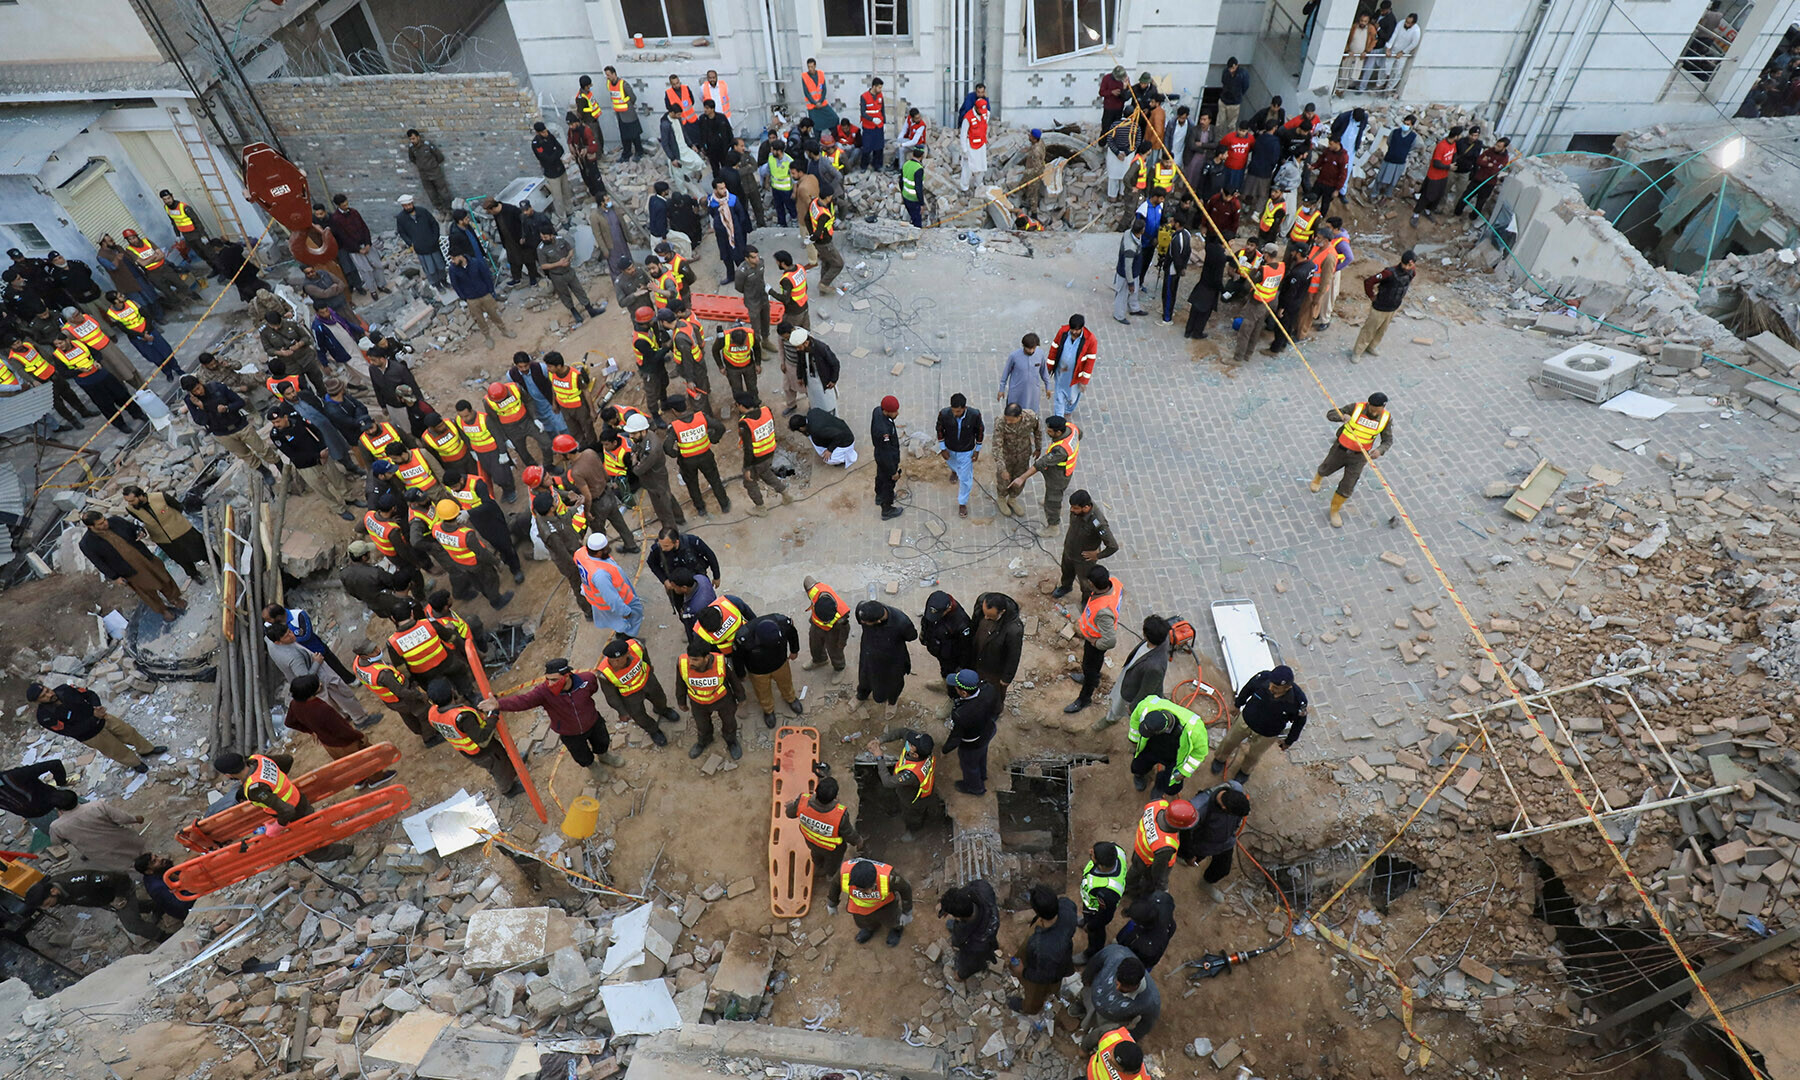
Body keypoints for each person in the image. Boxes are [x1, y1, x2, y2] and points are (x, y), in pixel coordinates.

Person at [486, 658, 625, 776]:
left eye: (554, 680)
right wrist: (498, 704)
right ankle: (593, 767)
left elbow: (593, 689)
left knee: (602, 741)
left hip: (593, 722)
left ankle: (604, 756)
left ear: (567, 675)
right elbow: (523, 701)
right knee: (581, 754)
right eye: (547, 679)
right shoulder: (543, 692)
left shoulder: (587, 680)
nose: (550, 684)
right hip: (569, 733)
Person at [29, 681, 166, 773]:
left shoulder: (65, 689)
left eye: (47, 690)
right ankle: (135, 763)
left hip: (103, 718)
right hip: (91, 735)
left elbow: (89, 694)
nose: (50, 694)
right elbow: (71, 731)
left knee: (129, 732)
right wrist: (94, 718)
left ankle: (147, 749)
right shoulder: (45, 717)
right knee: (116, 750)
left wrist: (96, 707)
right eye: (44, 696)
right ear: (37, 701)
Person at [78, 511, 187, 620]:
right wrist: (115, 577)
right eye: (100, 524)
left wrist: (140, 531)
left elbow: (134, 528)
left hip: (144, 557)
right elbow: (99, 563)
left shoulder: (115, 521)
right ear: (90, 526)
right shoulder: (87, 543)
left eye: (104, 520)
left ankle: (174, 599)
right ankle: (163, 610)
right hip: (127, 569)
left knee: (163, 577)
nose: (105, 523)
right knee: (146, 591)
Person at [425, 679, 524, 798]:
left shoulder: (432, 713)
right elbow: (482, 739)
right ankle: (508, 789)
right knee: (499, 768)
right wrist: (493, 715)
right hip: (483, 751)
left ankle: (513, 764)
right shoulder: (462, 717)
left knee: (501, 759)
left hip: (468, 751)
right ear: (452, 691)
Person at [1213, 665, 1310, 781]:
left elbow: (1299, 723)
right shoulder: (1263, 678)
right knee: (1229, 740)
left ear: (1287, 688)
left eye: (1275, 687)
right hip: (1246, 720)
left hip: (1267, 734)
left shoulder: (1298, 701)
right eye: (1271, 684)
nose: (1270, 688)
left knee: (1254, 755)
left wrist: (1289, 741)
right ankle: (1220, 758)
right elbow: (1248, 688)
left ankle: (1244, 772)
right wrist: (1237, 704)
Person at [269, 406, 354, 520]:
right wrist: (317, 457)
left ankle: (349, 498)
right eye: (273, 423)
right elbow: (293, 455)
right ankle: (339, 509)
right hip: (306, 465)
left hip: (322, 455)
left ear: (285, 417)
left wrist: (323, 448)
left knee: (337, 478)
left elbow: (316, 431)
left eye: (278, 421)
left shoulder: (296, 419)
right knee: (321, 488)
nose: (276, 425)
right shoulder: (276, 435)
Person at [40, 870, 170, 944]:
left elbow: (116, 877)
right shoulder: (58, 893)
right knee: (133, 908)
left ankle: (164, 937)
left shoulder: (77, 883)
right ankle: (157, 906)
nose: (48, 908)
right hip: (105, 898)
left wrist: (118, 897)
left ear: (53, 892)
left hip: (121, 889)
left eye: (46, 903)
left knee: (132, 925)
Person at [598, 632, 679, 746]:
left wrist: (650, 672)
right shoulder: (604, 673)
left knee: (660, 699)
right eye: (612, 660)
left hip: (648, 683)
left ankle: (662, 710)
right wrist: (622, 711)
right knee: (639, 716)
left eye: (618, 660)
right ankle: (653, 730)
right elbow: (611, 696)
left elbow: (646, 660)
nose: (615, 663)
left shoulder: (637, 647)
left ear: (627, 654)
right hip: (630, 696)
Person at [119, 485, 208, 583]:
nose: (130, 504)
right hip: (163, 539)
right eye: (128, 501)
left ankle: (218, 564)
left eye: (132, 501)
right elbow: (141, 520)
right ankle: (194, 574)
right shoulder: (131, 509)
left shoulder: (161, 497)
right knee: (181, 559)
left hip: (182, 530)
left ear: (140, 496)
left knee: (201, 549)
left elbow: (178, 507)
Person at [1125, 696, 1210, 796]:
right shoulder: (1147, 706)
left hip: (1175, 757)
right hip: (1151, 748)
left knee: (1172, 788)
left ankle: (1160, 786)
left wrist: (1183, 772)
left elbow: (1199, 754)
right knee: (1138, 766)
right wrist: (1134, 740)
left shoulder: (1195, 730)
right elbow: (1135, 722)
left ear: (1163, 731)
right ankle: (1140, 775)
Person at [676, 638, 746, 761]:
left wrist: (741, 698)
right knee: (702, 726)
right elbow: (680, 683)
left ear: (706, 658)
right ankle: (705, 740)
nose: (691, 662)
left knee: (729, 723)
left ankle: (731, 741)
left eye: (695, 660)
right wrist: (681, 701)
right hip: (698, 703)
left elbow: (733, 680)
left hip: (723, 701)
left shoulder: (721, 662)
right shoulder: (682, 664)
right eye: (690, 658)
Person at [1065, 566, 1122, 714]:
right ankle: (1091, 678)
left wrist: (1094, 642)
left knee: (1090, 668)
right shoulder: (1114, 583)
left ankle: (1084, 699)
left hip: (1096, 643)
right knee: (1089, 667)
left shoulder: (1103, 612)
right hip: (1092, 637)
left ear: (1093, 584)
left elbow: (1110, 641)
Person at [1006, 414, 1078, 526]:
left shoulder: (1061, 450)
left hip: (1058, 476)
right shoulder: (1071, 427)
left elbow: (1041, 463)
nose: (1047, 433)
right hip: (1058, 469)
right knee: (1050, 492)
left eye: (1049, 431)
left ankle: (1053, 527)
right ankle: (1049, 499)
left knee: (1052, 502)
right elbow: (1080, 435)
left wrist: (1021, 478)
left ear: (1058, 432)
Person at [737, 612, 804, 728]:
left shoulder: (783, 623)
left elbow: (792, 634)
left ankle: (791, 698)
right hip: (758, 670)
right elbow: (737, 657)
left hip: (780, 664)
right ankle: (768, 709)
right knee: (762, 691)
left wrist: (794, 650)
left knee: (786, 683)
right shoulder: (744, 638)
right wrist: (741, 673)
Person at [828, 856, 913, 947]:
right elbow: (835, 885)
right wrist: (832, 903)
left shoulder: (890, 878)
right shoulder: (843, 873)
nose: (868, 892)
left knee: (892, 920)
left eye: (870, 888)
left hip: (885, 906)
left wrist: (907, 912)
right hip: (860, 907)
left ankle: (896, 929)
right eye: (862, 889)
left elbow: (905, 888)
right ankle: (869, 928)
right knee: (863, 922)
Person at [1178, 782, 1251, 887]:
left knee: (1223, 869)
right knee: (1190, 859)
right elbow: (1186, 835)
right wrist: (1188, 856)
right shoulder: (1197, 809)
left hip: (1227, 842)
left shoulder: (1236, 788)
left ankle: (1206, 882)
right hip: (1202, 845)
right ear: (1225, 809)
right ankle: (1181, 857)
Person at [1055, 489, 1121, 602]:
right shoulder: (1077, 511)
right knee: (1066, 572)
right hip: (1069, 551)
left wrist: (1098, 555)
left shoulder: (1098, 522)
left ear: (1086, 507)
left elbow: (1113, 546)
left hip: (1083, 561)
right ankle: (1066, 587)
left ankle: (1086, 600)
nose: (1071, 510)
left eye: (1075, 508)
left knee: (1086, 584)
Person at [47, 797, 144, 872]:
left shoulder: (56, 826)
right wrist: (136, 819)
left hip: (101, 853)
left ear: (58, 809)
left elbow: (56, 843)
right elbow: (123, 818)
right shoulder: (96, 805)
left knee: (127, 866)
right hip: (123, 840)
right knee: (140, 853)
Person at [943, 669, 1000, 796]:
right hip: (988, 730)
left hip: (972, 743)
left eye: (956, 688)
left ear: (963, 693)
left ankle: (976, 788)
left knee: (969, 765)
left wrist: (945, 749)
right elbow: (997, 709)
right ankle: (983, 775)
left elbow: (955, 738)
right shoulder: (989, 689)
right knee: (982, 754)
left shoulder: (961, 714)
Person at [855, 600, 915, 720]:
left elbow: (912, 636)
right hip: (868, 655)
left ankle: (892, 702)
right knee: (864, 677)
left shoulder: (901, 622)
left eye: (865, 622)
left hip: (892, 661)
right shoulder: (862, 610)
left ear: (878, 621)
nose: (862, 623)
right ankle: (861, 696)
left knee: (893, 684)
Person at [732, 394, 791, 513]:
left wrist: (747, 468)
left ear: (742, 406)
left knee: (750, 482)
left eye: (737, 405)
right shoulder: (766, 410)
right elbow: (771, 426)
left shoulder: (745, 423)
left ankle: (760, 508)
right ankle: (785, 494)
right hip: (770, 452)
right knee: (766, 474)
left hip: (757, 458)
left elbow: (748, 449)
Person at [575, 533, 643, 634]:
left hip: (598, 598)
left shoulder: (580, 553)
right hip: (621, 600)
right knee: (634, 616)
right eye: (606, 549)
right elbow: (611, 598)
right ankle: (629, 636)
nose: (609, 549)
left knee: (616, 621)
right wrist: (625, 611)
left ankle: (623, 632)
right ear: (598, 553)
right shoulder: (600, 575)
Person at [1352, 253, 1415, 361]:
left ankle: (1372, 346)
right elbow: (1369, 281)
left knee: (1382, 330)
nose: (1408, 268)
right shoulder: (1388, 273)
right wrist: (1371, 296)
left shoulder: (1412, 272)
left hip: (1393, 307)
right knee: (1369, 330)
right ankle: (1357, 352)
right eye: (1406, 265)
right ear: (1402, 262)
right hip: (1380, 307)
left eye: (1410, 266)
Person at [539, 224, 606, 325]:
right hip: (557, 276)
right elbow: (543, 265)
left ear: (551, 235)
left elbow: (570, 250)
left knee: (579, 290)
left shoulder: (560, 239)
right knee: (564, 295)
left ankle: (590, 310)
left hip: (568, 271)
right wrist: (559, 264)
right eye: (542, 237)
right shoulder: (541, 249)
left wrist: (568, 258)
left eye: (545, 237)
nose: (543, 239)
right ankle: (575, 314)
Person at [1075, 840, 1128, 963]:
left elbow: (1105, 916)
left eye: (1093, 855)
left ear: (1102, 866)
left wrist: (1092, 925)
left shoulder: (1108, 892)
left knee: (1096, 933)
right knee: (1087, 917)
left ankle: (1091, 953)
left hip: (1096, 911)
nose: (1090, 852)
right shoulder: (1116, 850)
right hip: (1089, 906)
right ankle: (1084, 920)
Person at [939, 880, 1001, 980]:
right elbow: (963, 892)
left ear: (958, 918)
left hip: (982, 941)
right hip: (987, 920)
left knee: (973, 957)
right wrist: (947, 907)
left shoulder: (976, 940)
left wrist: (961, 975)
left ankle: (988, 957)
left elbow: (971, 962)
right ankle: (993, 946)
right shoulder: (981, 888)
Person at [934, 393, 984, 516]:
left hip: (966, 451)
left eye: (958, 411)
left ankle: (962, 502)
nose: (955, 414)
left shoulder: (975, 415)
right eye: (953, 411)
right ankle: (954, 471)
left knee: (965, 479)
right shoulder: (944, 414)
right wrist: (942, 448)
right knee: (952, 464)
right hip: (950, 448)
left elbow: (980, 432)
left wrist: (977, 450)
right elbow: (939, 429)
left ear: (964, 408)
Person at [1045, 315, 1097, 418]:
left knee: (1073, 395)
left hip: (1076, 374)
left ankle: (1069, 409)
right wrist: (1050, 366)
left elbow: (1090, 361)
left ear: (1082, 328)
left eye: (1077, 330)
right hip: (1061, 370)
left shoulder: (1091, 340)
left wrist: (1084, 381)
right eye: (1072, 329)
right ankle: (1059, 416)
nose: (1074, 332)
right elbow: (1054, 347)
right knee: (1059, 394)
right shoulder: (1063, 332)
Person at [920, 590, 976, 682]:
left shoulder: (961, 623)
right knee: (944, 670)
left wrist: (962, 666)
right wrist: (924, 635)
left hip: (951, 656)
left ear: (949, 608)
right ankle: (944, 681)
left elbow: (966, 648)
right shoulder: (934, 606)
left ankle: (952, 693)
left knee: (952, 677)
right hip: (939, 649)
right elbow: (926, 621)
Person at [394, 195, 447, 289]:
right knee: (430, 269)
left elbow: (434, 224)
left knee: (440, 265)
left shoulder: (422, 211)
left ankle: (444, 280)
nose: (408, 207)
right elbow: (402, 232)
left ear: (412, 203)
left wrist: (435, 237)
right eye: (405, 206)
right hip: (420, 248)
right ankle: (437, 284)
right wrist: (411, 243)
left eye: (409, 204)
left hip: (433, 245)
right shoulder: (401, 218)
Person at [1116, 892, 1176, 971]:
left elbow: (1142, 963)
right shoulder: (1160, 900)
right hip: (1157, 930)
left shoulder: (1148, 947)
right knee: (1130, 926)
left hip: (1143, 959)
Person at [1412, 125, 1460, 224]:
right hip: (1434, 176)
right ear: (1455, 136)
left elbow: (1454, 154)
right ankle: (1416, 214)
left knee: (1438, 196)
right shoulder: (1441, 145)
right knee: (1427, 196)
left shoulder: (1453, 144)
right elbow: (1436, 163)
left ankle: (1428, 211)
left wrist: (1453, 163)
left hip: (1443, 176)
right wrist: (1449, 167)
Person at [866, 394, 903, 519]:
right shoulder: (884, 432)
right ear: (886, 411)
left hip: (879, 455)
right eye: (894, 412)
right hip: (887, 458)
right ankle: (887, 509)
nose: (897, 413)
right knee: (888, 483)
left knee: (880, 476)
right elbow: (887, 453)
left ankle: (879, 496)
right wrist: (893, 471)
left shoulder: (877, 411)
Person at [707, 178, 750, 285]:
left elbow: (741, 214)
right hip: (721, 233)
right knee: (726, 255)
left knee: (739, 255)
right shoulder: (711, 201)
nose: (724, 190)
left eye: (724, 187)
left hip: (735, 232)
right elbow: (712, 213)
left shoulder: (733, 199)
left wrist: (734, 227)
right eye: (721, 188)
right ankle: (731, 276)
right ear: (715, 190)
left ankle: (744, 276)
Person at [789, 405, 857, 469]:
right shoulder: (812, 412)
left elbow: (839, 435)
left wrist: (830, 450)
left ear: (801, 428)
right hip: (841, 428)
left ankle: (844, 458)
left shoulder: (816, 430)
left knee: (827, 459)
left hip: (846, 440)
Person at [1368, 116, 1418, 201]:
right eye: (1404, 123)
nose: (1405, 125)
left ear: (1412, 126)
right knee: (1380, 178)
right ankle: (1374, 193)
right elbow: (1389, 142)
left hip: (1400, 162)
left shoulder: (1413, 137)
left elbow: (1413, 147)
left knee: (1393, 180)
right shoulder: (1395, 132)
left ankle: (1388, 193)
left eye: (1408, 124)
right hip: (1389, 159)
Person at [136, 853, 193, 926]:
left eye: (157, 857)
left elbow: (177, 872)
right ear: (149, 871)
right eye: (154, 861)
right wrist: (191, 885)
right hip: (185, 909)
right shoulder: (157, 888)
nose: (160, 859)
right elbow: (180, 906)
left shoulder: (159, 870)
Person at [1461, 136, 1511, 219]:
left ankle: (1472, 218)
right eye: (1496, 144)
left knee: (1480, 203)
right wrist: (1488, 164)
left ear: (1504, 148)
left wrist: (1487, 161)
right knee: (1465, 196)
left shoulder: (1505, 158)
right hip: (1478, 179)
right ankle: (1457, 213)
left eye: (1499, 146)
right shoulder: (1490, 150)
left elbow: (1494, 171)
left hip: (1488, 184)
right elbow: (1478, 161)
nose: (1496, 147)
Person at [406, 129, 453, 214]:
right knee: (432, 194)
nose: (412, 141)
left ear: (418, 137)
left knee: (443, 192)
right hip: (424, 175)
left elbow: (440, 157)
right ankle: (441, 211)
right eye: (410, 139)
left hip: (435, 173)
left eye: (413, 138)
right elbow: (412, 159)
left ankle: (449, 211)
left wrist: (432, 165)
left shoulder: (427, 145)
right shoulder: (412, 148)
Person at [1111, 218, 1146, 325]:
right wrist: (1130, 282)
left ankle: (1134, 309)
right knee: (1122, 295)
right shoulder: (1130, 247)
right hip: (1126, 274)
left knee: (1134, 293)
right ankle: (1119, 315)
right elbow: (1128, 267)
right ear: (1141, 230)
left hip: (1135, 272)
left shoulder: (1128, 233)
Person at [958, 90, 990, 192]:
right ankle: (964, 187)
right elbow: (963, 134)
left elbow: (985, 125)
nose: (982, 113)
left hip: (981, 145)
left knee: (981, 166)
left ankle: (978, 185)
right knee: (968, 168)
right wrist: (964, 150)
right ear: (976, 107)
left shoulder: (986, 114)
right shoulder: (968, 118)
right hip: (970, 145)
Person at [858, 77, 886, 170]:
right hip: (868, 126)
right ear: (874, 86)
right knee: (867, 147)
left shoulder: (880, 96)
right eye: (879, 87)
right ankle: (864, 166)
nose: (880, 89)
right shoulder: (864, 97)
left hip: (879, 126)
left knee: (879, 147)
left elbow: (882, 110)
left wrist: (884, 123)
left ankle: (877, 165)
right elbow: (863, 113)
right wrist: (872, 119)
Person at [899, 145, 927, 227]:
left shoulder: (906, 164)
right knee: (917, 222)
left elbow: (900, 181)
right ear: (922, 156)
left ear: (913, 154)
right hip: (914, 199)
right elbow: (918, 188)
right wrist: (921, 204)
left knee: (912, 216)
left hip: (905, 196)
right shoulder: (918, 168)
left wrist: (903, 193)